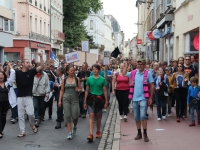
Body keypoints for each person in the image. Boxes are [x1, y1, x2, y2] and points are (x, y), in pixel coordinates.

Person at [15, 52, 44, 137]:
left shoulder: (31, 72)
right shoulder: (17, 73)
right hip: (20, 97)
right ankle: (22, 131)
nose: (29, 64)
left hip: (28, 96)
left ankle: (32, 124)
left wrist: (41, 57)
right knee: (20, 115)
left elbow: (42, 66)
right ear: (23, 64)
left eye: (29, 62)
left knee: (31, 113)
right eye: (27, 62)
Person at [128, 59, 154, 142]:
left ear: (144, 65)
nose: (139, 66)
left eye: (141, 64)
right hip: (135, 98)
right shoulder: (133, 73)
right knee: (136, 117)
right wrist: (126, 65)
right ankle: (139, 133)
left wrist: (150, 97)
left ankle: (145, 134)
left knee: (143, 116)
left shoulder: (148, 73)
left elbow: (152, 86)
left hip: (143, 98)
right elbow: (124, 73)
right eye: (138, 64)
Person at [84, 64, 108, 142]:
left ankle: (98, 131)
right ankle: (90, 134)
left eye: (96, 69)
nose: (95, 70)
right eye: (93, 69)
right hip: (91, 99)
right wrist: (85, 102)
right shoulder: (89, 79)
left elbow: (105, 91)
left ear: (99, 70)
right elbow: (87, 90)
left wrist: (106, 101)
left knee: (98, 116)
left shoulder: (102, 79)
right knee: (91, 115)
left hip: (99, 99)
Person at [58, 65, 82, 140]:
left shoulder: (77, 79)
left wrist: (78, 90)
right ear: (67, 72)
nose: (73, 72)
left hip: (74, 98)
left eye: (74, 71)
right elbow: (62, 90)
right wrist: (59, 100)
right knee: (67, 116)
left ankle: (74, 126)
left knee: (75, 116)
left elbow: (80, 89)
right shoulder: (64, 80)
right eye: (71, 71)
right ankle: (69, 132)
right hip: (66, 98)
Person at [0, 63, 16, 139]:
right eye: (0, 75)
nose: (1, 76)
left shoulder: (8, 83)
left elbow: (12, 74)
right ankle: (0, 132)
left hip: (5, 103)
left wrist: (10, 67)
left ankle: (1, 130)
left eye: (2, 75)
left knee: (3, 117)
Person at [32, 62, 50, 127]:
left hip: (42, 94)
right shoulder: (33, 74)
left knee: (41, 107)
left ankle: (39, 116)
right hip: (34, 93)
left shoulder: (45, 75)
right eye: (38, 66)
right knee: (35, 106)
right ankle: (36, 118)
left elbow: (47, 84)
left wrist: (47, 93)